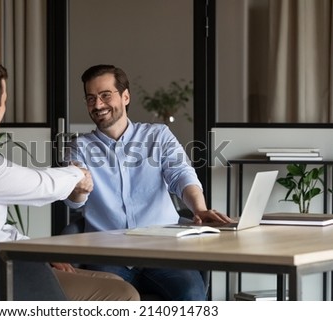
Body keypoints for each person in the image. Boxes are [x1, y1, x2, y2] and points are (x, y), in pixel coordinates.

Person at [0, 57, 139, 301]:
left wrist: (42, 253)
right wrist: (79, 175)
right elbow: (39, 185)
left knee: (113, 281)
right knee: (123, 294)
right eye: (4, 99)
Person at [64, 64, 233, 301]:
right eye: (91, 98)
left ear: (125, 96)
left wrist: (200, 209)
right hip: (108, 255)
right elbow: (74, 202)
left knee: (191, 296)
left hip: (163, 252)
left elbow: (181, 174)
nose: (98, 105)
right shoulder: (78, 147)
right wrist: (78, 192)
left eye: (105, 95)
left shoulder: (158, 135)